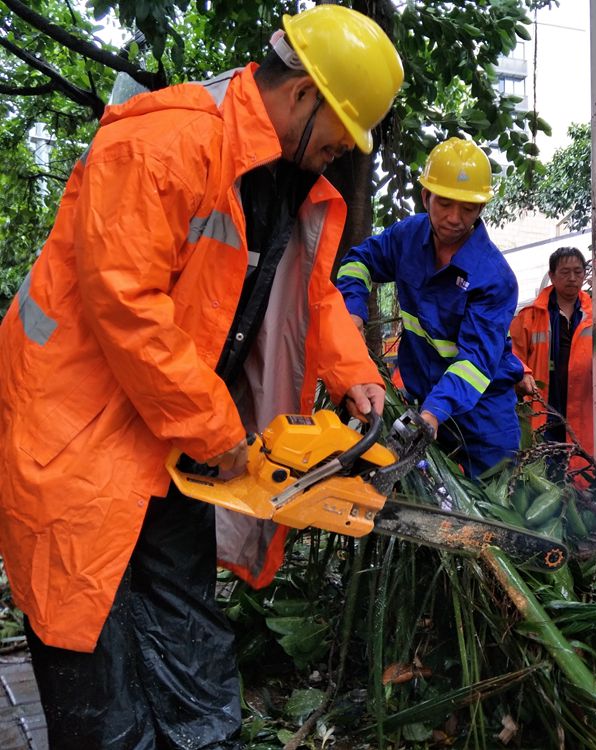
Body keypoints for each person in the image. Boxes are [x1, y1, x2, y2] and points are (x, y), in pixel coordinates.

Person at [0, 6, 403, 748]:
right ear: (304, 94)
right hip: (78, 443)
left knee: (193, 662)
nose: (344, 148)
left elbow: (308, 296)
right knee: (98, 684)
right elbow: (126, 303)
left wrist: (355, 373)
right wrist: (220, 434)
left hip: (168, 443)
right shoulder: (167, 140)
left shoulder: (287, 180)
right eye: (345, 127)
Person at [336, 137, 523, 478]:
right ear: (426, 197)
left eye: (467, 208)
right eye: (445, 204)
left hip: (484, 417)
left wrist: (434, 413)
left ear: (481, 208)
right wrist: (352, 311)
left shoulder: (495, 278)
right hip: (425, 405)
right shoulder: (406, 238)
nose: (454, 218)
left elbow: (475, 362)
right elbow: (357, 261)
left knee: (495, 510)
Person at [510, 247, 594, 467]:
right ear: (552, 275)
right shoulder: (530, 315)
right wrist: (522, 375)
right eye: (565, 272)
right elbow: (512, 355)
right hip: (542, 406)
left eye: (578, 271)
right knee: (541, 465)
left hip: (581, 406)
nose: (573, 278)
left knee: (578, 465)